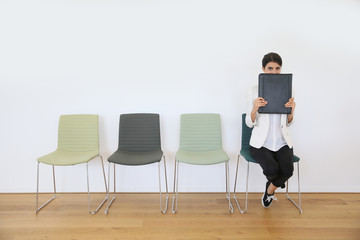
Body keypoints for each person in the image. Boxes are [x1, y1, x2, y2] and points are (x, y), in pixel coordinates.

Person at [245, 52, 296, 208]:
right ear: (263, 69)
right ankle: (274, 182)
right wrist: (255, 108)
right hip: (261, 143)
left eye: (277, 68)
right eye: (270, 68)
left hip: (281, 141)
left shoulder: (287, 89)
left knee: (287, 171)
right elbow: (248, 122)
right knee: (273, 169)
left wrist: (292, 111)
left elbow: (289, 123)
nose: (274, 72)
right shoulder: (253, 91)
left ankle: (270, 190)